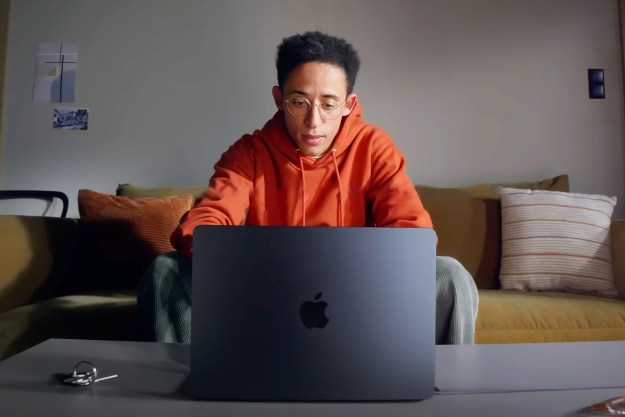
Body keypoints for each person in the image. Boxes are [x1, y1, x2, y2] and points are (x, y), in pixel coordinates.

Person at [137, 31, 478, 345]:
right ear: (278, 98)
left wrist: (349, 273)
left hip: (356, 293)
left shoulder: (374, 146)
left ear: (347, 103)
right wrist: (260, 271)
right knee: (167, 271)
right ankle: (188, 393)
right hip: (265, 291)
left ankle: (442, 396)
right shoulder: (249, 153)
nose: (313, 122)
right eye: (298, 102)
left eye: (329, 104)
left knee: (450, 275)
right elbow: (205, 221)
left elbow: (412, 232)